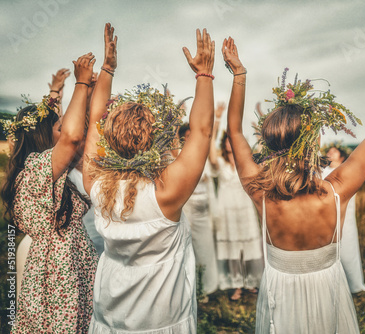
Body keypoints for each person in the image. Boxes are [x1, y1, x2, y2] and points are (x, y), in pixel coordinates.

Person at [222, 30, 365, 333]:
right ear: (310, 144)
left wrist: (239, 75)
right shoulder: (336, 191)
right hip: (328, 292)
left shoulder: (262, 194)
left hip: (281, 293)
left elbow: (235, 132)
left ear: (269, 144)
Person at [83, 24, 215, 333]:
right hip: (163, 320)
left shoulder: (96, 185)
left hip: (111, 315)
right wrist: (205, 75)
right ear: (154, 140)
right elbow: (203, 130)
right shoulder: (166, 193)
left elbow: (92, 123)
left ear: (110, 140)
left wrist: (107, 69)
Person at [1, 53, 98, 333]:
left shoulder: (44, 170)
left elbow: (71, 127)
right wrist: (80, 83)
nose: (65, 128)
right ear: (44, 136)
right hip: (57, 275)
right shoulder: (35, 171)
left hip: (69, 265)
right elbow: (72, 136)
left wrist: (87, 90)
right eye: (58, 127)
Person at [209, 103, 263, 301]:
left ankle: (251, 282)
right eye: (228, 141)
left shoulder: (246, 163)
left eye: (234, 140)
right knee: (231, 246)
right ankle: (235, 285)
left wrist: (258, 127)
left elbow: (261, 150)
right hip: (226, 209)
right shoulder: (220, 163)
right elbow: (210, 147)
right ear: (224, 144)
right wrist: (217, 119)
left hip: (245, 209)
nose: (231, 144)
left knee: (249, 245)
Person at [179, 122, 219, 296]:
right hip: (188, 210)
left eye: (191, 136)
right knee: (188, 248)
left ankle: (209, 285)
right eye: (186, 137)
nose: (189, 140)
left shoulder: (202, 155)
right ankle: (192, 287)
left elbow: (212, 175)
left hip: (203, 209)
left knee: (206, 247)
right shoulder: (178, 156)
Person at [322, 143, 365, 294]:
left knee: (347, 249)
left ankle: (354, 285)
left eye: (334, 151)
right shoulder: (322, 171)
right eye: (328, 151)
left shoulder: (347, 171)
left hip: (344, 214)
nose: (330, 153)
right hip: (324, 216)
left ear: (341, 155)